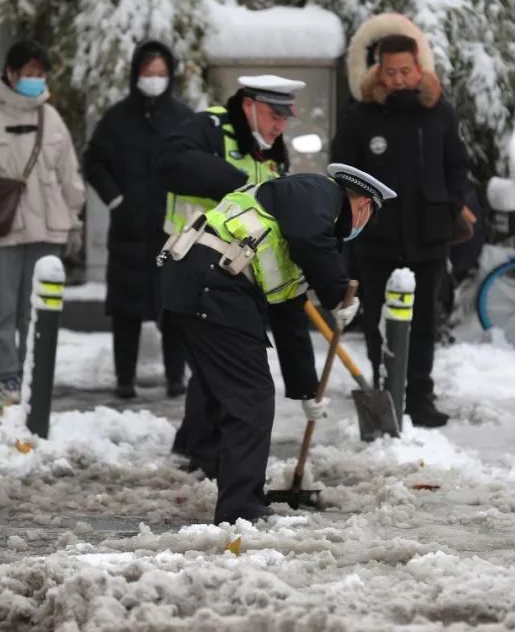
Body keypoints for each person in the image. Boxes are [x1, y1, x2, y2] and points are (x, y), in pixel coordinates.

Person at [159, 164, 396, 524]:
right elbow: (309, 241)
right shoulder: (317, 192)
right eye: (369, 216)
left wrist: (307, 391)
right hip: (215, 286)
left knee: (218, 388)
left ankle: (216, 471)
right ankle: (240, 508)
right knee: (250, 397)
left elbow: (289, 315)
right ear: (363, 204)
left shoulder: (294, 220)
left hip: (193, 280)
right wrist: (337, 295)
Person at [331, 14, 473, 428]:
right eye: (390, 71)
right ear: (379, 70)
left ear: (419, 69)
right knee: (378, 322)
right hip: (377, 241)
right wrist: (356, 211)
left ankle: (421, 397)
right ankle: (385, 392)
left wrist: (450, 206)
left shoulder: (440, 113)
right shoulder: (360, 116)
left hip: (429, 238)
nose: (398, 79)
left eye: (405, 71)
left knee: (424, 320)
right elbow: (341, 171)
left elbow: (457, 165)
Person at [160, 74, 304, 469]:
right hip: (192, 267)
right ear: (248, 105)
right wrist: (240, 186)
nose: (279, 126)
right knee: (222, 370)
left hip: (244, 277)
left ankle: (196, 448)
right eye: (273, 115)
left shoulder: (272, 149)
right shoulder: (210, 127)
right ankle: (205, 453)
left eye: (285, 118)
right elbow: (172, 161)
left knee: (215, 369)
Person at [0, 40, 85, 409]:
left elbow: (69, 174)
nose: (36, 81)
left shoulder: (50, 118)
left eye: (41, 75)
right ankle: (8, 378)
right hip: (0, 229)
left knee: (38, 310)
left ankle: (35, 377)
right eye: (29, 74)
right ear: (10, 73)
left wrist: (74, 221)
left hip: (47, 228)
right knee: (2, 309)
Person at [83, 40, 193, 399]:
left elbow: (200, 163)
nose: (155, 79)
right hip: (130, 230)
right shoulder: (117, 119)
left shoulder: (183, 118)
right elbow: (94, 161)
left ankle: (176, 377)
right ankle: (124, 379)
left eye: (161, 73)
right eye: (149, 73)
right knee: (126, 312)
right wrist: (116, 200)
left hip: (171, 230)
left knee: (174, 307)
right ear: (136, 74)